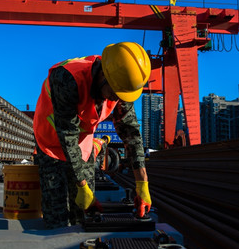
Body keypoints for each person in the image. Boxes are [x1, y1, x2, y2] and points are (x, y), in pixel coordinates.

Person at [33, 42, 152, 229]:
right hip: (51, 143)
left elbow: (131, 134)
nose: (116, 99)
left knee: (84, 214)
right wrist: (81, 185)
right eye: (115, 93)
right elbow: (68, 134)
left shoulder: (119, 86)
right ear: (104, 75)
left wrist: (142, 183)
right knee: (56, 213)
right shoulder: (67, 78)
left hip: (81, 144)